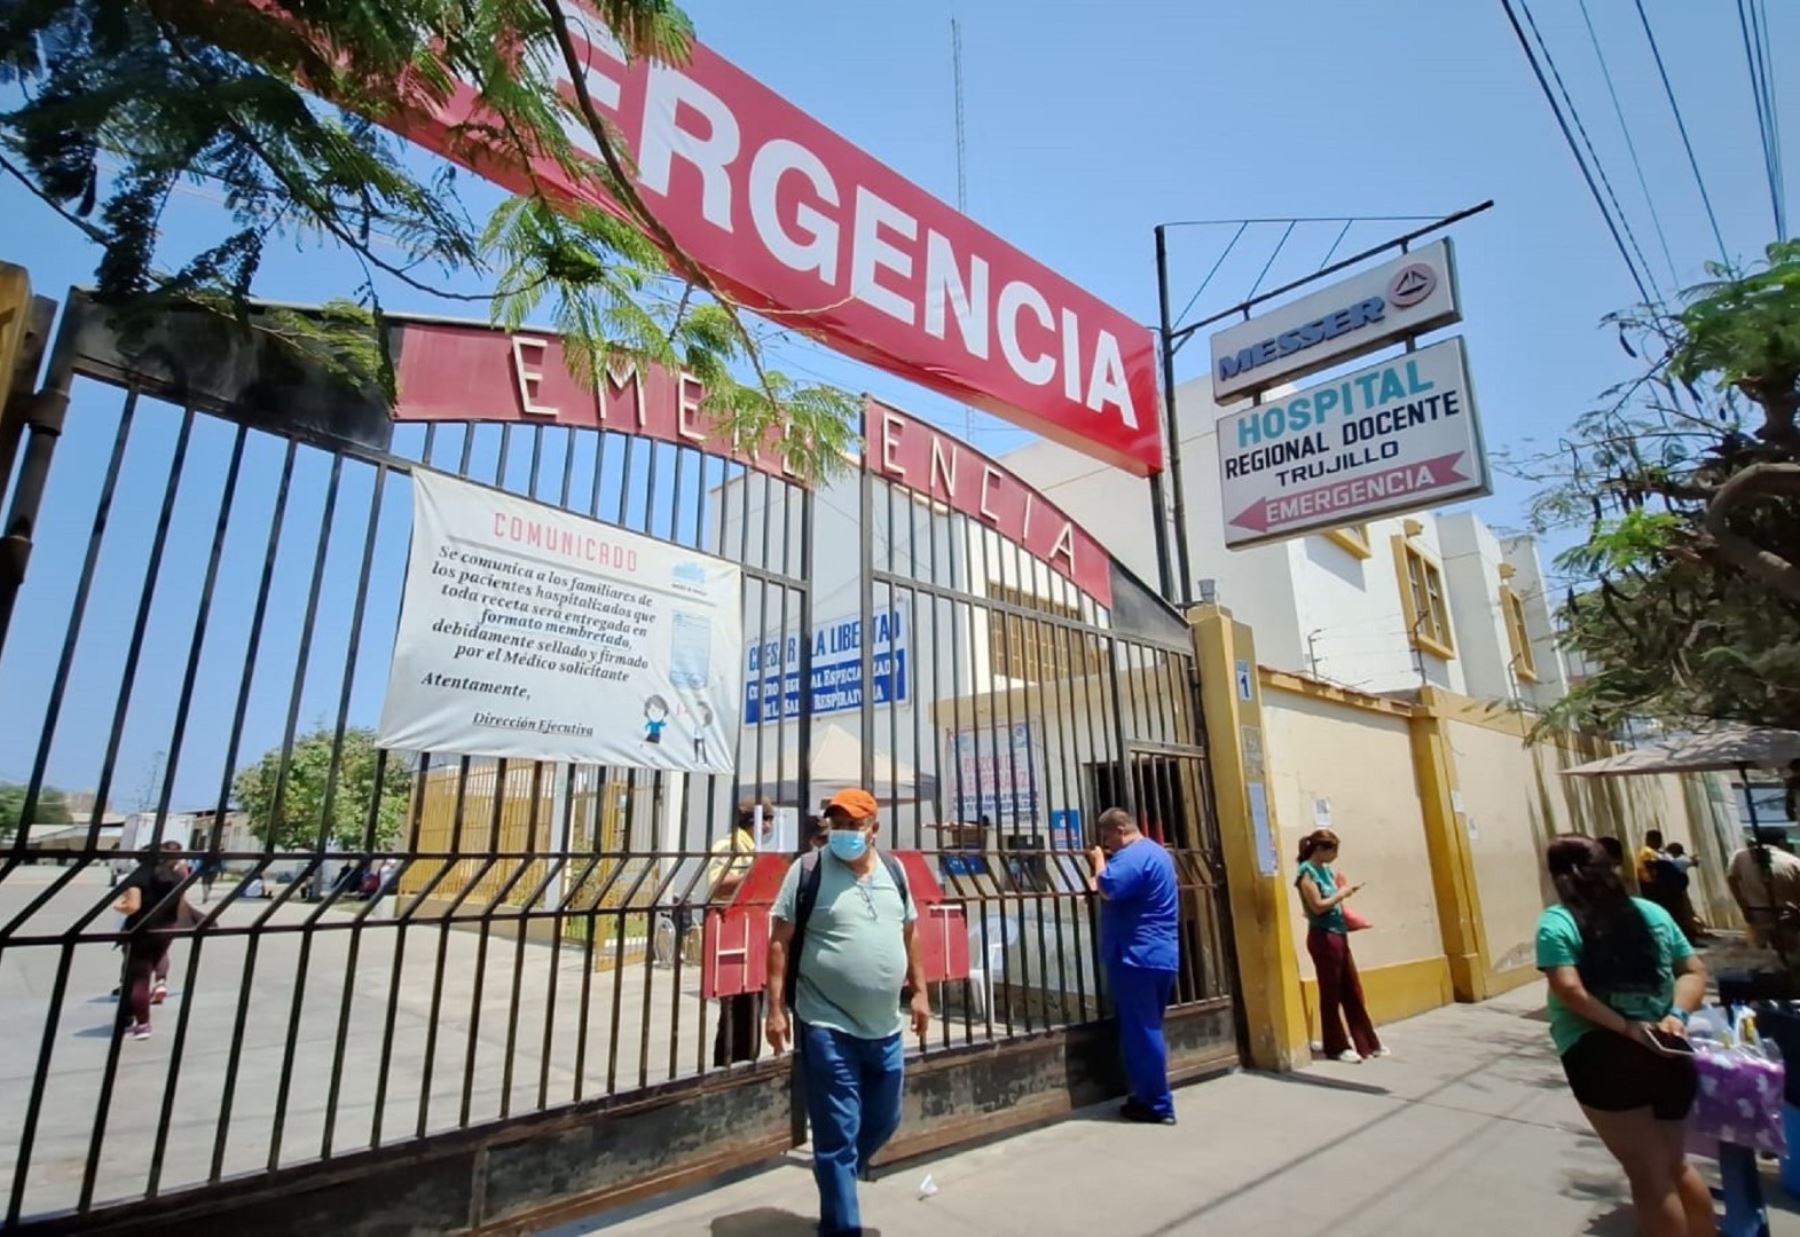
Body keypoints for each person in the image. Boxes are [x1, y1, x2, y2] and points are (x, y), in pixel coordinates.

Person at [766, 789, 928, 1237]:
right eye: (837, 824)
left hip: (884, 1025)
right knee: (837, 1132)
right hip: (825, 1021)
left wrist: (921, 992)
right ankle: (842, 1224)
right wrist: (775, 1009)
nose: (844, 833)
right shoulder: (808, 871)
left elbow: (910, 932)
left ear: (874, 829)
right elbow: (779, 940)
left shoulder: (895, 872)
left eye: (854, 825)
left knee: (884, 1118)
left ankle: (837, 1171)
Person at [1535, 835, 1711, 1237]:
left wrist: (1628, 1029)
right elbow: (1694, 970)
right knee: (1676, 1164)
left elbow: (1569, 990)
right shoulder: (1653, 913)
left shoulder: (1557, 922)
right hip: (1670, 1050)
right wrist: (1676, 1015)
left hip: (1602, 1055)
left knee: (1649, 1176)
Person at [1086, 806, 1181, 1124]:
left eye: (1107, 840)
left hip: (1136, 955)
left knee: (1142, 1031)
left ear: (1119, 831)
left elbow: (1108, 887)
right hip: (1160, 953)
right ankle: (1147, 1094)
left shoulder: (1133, 856)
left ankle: (1156, 1104)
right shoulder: (1158, 854)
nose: (1108, 846)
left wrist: (1098, 860)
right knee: (1148, 1027)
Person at [1293, 829, 1385, 1063]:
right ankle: (1336, 1045)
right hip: (1323, 937)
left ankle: (1367, 1042)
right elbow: (1317, 905)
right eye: (1333, 850)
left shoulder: (1325, 870)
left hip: (1338, 933)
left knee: (1352, 989)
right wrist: (1341, 893)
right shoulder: (1306, 873)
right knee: (1331, 992)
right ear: (1320, 850)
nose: (1335, 856)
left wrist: (1345, 893)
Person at [707, 799, 775, 1066]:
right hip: (732, 939)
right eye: (768, 820)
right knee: (735, 1015)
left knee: (751, 1011)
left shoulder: (750, 849)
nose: (769, 827)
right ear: (761, 821)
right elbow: (717, 885)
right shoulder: (731, 846)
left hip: (751, 939)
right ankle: (727, 1071)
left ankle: (746, 1066)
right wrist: (758, 876)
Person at [112, 840, 197, 1041]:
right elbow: (181, 903)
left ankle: (142, 1023)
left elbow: (133, 905)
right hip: (167, 928)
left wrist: (118, 906)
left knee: (138, 977)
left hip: (142, 929)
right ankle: (160, 983)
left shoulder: (138, 876)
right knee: (158, 958)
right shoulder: (176, 877)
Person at [1728, 830, 1800, 951]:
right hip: (1788, 917)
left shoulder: (1740, 857)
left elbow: (1731, 879)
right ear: (1781, 842)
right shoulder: (1792, 862)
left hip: (1756, 915)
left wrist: (1743, 906)